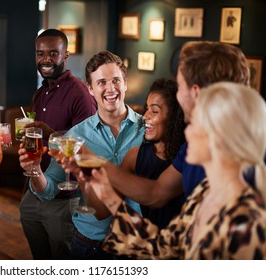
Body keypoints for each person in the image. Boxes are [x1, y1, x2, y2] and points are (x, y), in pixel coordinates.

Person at [90, 82, 266, 259]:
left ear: (219, 139)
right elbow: (163, 247)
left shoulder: (249, 221)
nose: (187, 132)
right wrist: (105, 192)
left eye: (194, 124)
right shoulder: (203, 193)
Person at [19, 50, 145, 259]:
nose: (110, 88)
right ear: (90, 89)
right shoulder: (75, 135)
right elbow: (48, 190)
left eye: (116, 80)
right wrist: (34, 170)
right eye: (101, 82)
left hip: (136, 244)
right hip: (90, 245)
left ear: (125, 83)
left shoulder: (146, 129)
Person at [101, 41, 250, 213]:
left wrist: (100, 167)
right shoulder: (195, 144)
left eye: (180, 86)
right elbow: (157, 193)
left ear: (195, 92)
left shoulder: (238, 164)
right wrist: (101, 169)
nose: (177, 97)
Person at [19, 29, 97, 259]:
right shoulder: (40, 92)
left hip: (65, 197)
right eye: (40, 53)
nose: (45, 59)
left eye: (53, 53)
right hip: (36, 188)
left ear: (66, 55)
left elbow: (85, 148)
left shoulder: (80, 94)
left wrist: (50, 133)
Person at [120, 78, 186, 229]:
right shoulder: (135, 157)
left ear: (174, 117)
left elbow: (155, 195)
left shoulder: (189, 157)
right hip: (148, 245)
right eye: (146, 109)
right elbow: (104, 208)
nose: (145, 116)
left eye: (154, 111)